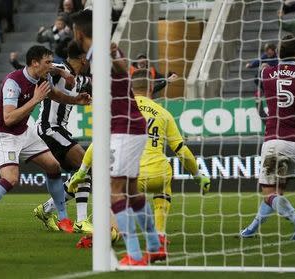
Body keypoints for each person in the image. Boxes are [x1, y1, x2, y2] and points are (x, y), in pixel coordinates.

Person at [71, 69, 211, 250]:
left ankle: (110, 232)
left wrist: (82, 171)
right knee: (166, 176)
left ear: (130, 86)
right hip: (158, 175)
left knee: (114, 197)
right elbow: (181, 150)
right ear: (151, 87)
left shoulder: (119, 110)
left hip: (131, 177)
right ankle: (159, 234)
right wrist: (198, 175)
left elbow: (97, 144)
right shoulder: (163, 113)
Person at [0, 45, 91, 236]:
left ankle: (63, 219)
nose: (50, 65)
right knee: (11, 178)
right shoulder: (13, 82)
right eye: (47, 62)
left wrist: (75, 99)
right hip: (4, 133)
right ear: (34, 63)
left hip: (24, 130)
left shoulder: (41, 75)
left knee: (53, 166)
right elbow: (8, 118)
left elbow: (54, 94)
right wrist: (35, 100)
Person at [70, 9, 164, 266]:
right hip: (130, 127)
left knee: (114, 192)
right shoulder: (104, 51)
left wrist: (112, 58)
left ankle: (134, 254)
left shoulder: (104, 51)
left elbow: (123, 69)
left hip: (124, 129)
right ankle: (154, 246)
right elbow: (123, 70)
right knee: (131, 191)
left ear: (78, 33)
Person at [239, 35, 295, 241]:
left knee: (268, 192)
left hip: (275, 141)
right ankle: (252, 228)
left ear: (278, 53)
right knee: (277, 191)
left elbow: (273, 81)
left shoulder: (266, 73)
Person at [32, 41, 94, 234]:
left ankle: (46, 209)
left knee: (84, 171)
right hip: (49, 128)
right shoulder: (62, 67)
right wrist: (63, 73)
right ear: (83, 58)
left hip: (59, 130)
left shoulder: (80, 79)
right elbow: (45, 68)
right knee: (86, 165)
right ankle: (81, 221)